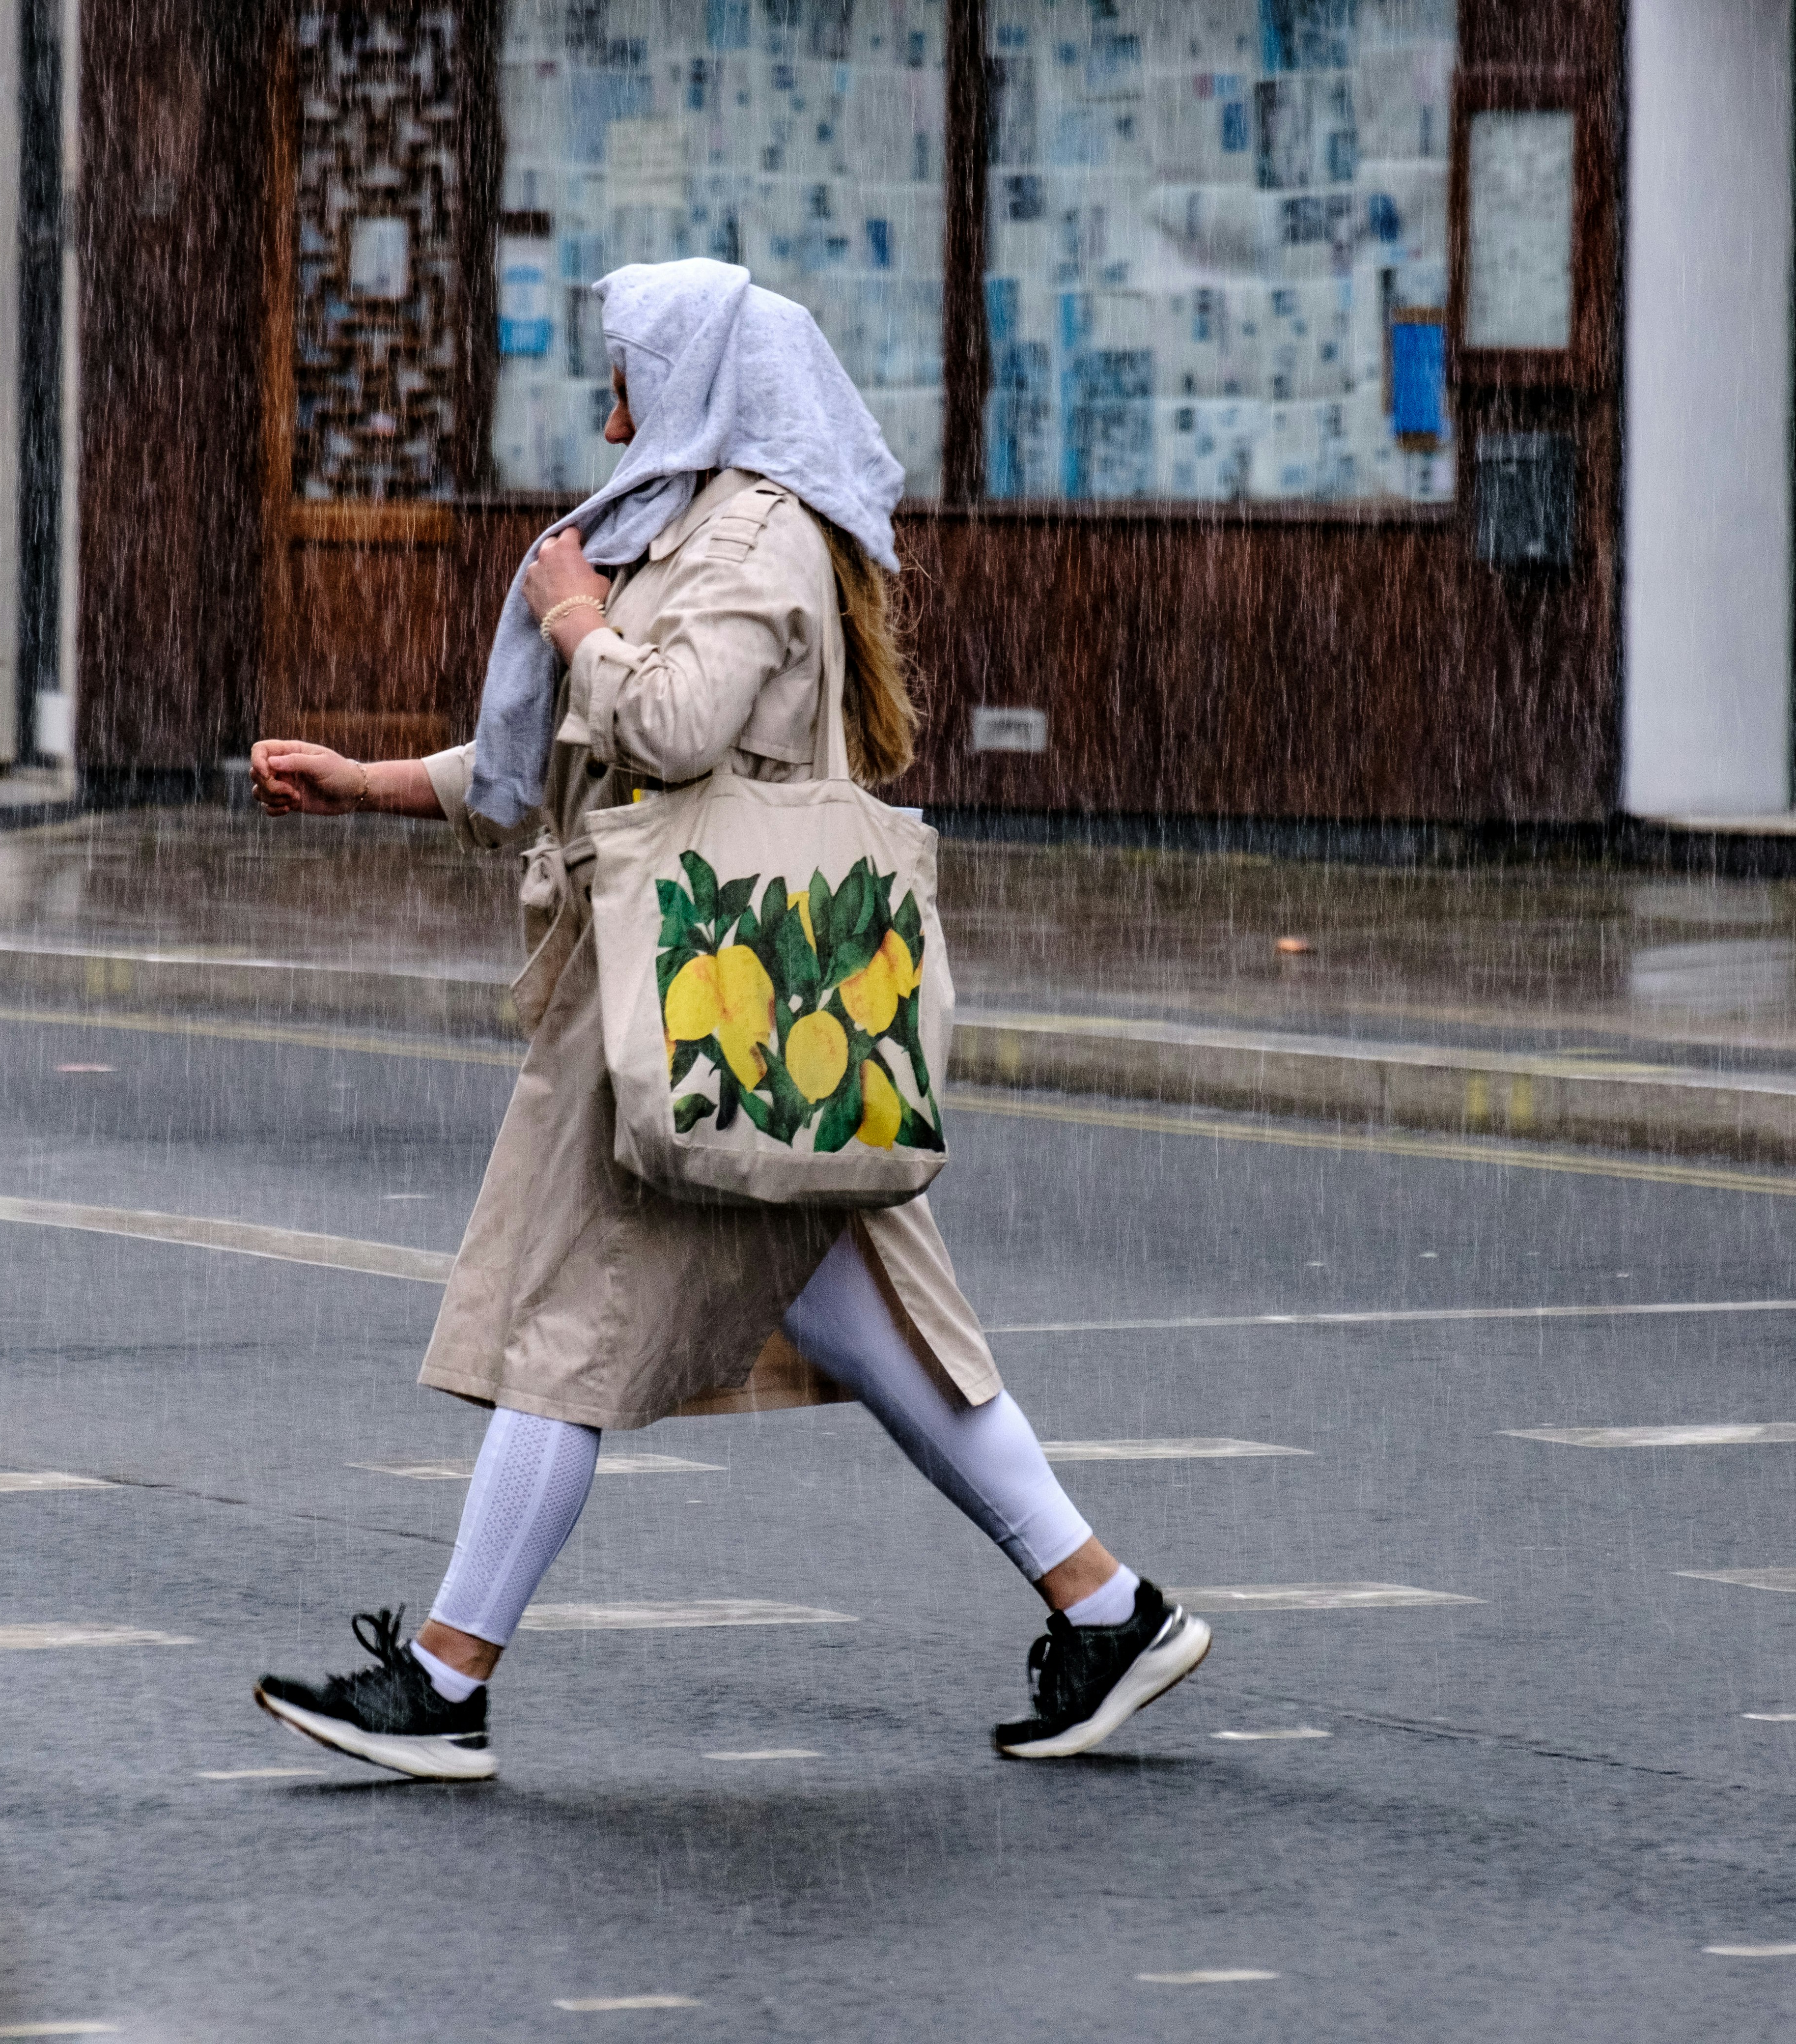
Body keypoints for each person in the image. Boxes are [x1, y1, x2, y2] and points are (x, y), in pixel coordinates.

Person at [245, 258, 1207, 1781]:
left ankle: (445, 1682)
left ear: (704, 381)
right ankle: (1109, 1609)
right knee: (875, 1327)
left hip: (703, 995)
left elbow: (674, 724)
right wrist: (369, 780)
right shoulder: (683, 523)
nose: (612, 402)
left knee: (563, 1329)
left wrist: (573, 621)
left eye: (630, 371)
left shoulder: (758, 535)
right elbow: (557, 766)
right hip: (741, 1008)